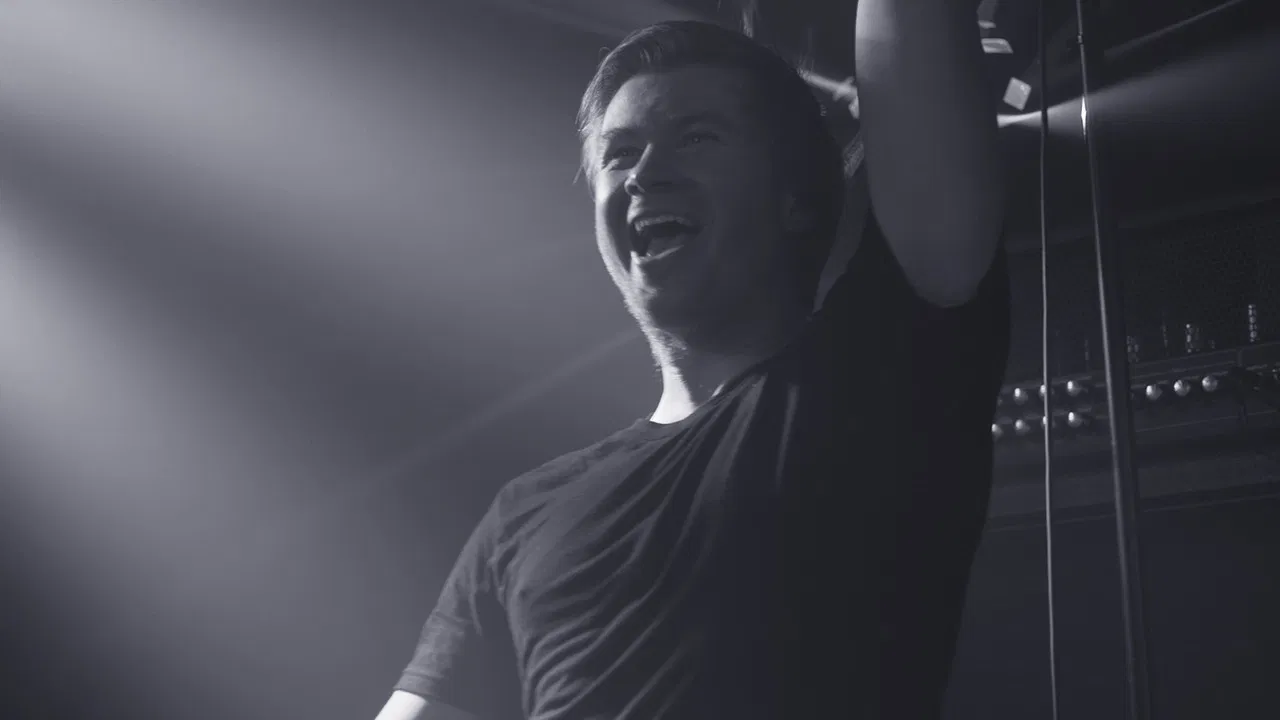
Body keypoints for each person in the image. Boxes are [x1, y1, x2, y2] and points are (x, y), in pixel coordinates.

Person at [375, 4, 1009, 718]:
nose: (644, 174)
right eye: (620, 153)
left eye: (697, 137)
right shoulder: (522, 512)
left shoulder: (881, 376)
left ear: (795, 200)